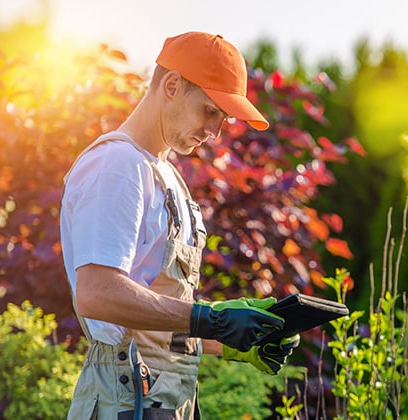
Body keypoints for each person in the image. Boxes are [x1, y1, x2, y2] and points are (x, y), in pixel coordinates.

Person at [60, 31, 299, 419]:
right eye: (209, 111)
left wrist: (232, 338)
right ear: (171, 85)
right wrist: (210, 318)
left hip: (166, 398)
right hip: (125, 399)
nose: (214, 131)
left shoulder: (168, 177)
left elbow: (156, 330)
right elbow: (96, 293)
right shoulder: (118, 166)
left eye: (222, 118)